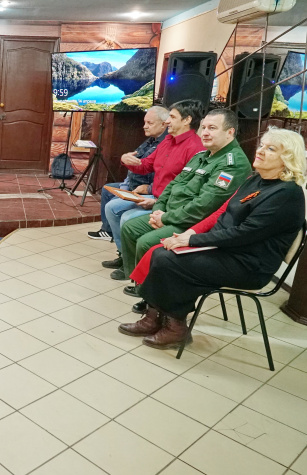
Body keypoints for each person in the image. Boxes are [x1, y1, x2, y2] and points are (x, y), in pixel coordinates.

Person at [119, 127, 306, 349]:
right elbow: (224, 213)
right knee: (161, 253)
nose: (261, 151)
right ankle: (154, 318)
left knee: (170, 261)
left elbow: (244, 234)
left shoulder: (286, 193)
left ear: (288, 158)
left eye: (271, 149)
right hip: (228, 250)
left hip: (249, 263)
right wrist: (192, 234)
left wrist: (191, 241)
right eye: (262, 145)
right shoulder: (256, 180)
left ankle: (175, 328)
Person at [120, 108, 253, 309]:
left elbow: (204, 205)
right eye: (204, 127)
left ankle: (152, 298)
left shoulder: (233, 163)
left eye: (212, 128)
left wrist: (165, 218)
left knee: (146, 242)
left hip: (196, 224)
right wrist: (158, 211)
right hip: (171, 214)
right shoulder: (202, 155)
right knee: (130, 228)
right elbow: (173, 185)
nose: (205, 132)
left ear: (230, 132)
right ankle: (143, 285)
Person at [102, 101, 205, 277]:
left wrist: (157, 202)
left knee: (126, 218)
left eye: (172, 117)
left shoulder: (196, 148)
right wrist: (126, 160)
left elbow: (188, 189)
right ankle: (125, 256)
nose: (167, 122)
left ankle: (133, 266)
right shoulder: (167, 141)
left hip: (168, 203)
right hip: (155, 197)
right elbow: (145, 166)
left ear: (187, 120)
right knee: (111, 208)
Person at [87, 106, 169, 242]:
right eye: (145, 122)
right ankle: (107, 231)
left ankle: (121, 245)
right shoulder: (151, 140)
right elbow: (136, 160)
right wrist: (124, 158)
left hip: (145, 189)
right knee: (107, 189)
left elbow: (162, 174)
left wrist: (149, 188)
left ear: (163, 124)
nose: (145, 126)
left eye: (149, 123)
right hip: (133, 183)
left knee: (113, 206)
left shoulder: (166, 144)